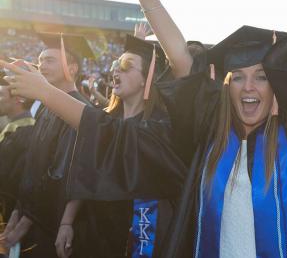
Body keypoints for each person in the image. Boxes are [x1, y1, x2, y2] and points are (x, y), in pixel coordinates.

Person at [129, 0, 287, 256]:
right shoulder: (210, 132)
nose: (249, 87)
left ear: (276, 88)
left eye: (261, 77)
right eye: (239, 78)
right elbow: (178, 54)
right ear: (227, 88)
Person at [2, 33, 189, 258]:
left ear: (147, 78)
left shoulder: (156, 131)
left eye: (126, 66)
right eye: (115, 65)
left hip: (131, 233)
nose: (116, 71)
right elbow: (84, 173)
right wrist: (67, 222)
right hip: (93, 229)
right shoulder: (106, 117)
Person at [1, 33, 93, 257]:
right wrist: (16, 213)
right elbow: (33, 165)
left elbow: (60, 175)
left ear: (71, 69)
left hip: (52, 224)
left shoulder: (80, 111)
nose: (41, 66)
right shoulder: (45, 106)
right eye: (40, 60)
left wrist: (24, 223)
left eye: (49, 60)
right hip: (29, 217)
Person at [0, 61, 35, 254]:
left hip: (9, 217)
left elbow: (12, 181)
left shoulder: (26, 131)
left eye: (1, 95)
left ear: (18, 99)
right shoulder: (11, 126)